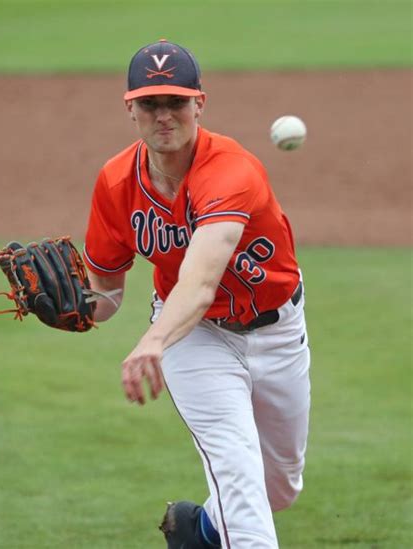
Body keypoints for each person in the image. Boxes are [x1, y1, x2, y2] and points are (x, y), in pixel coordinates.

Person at [83, 39, 311, 549]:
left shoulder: (232, 170)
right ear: (130, 108)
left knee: (277, 487)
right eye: (150, 103)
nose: (163, 115)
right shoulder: (116, 182)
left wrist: (152, 341)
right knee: (237, 476)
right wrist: (74, 309)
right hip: (196, 339)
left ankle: (197, 531)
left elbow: (201, 279)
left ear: (198, 104)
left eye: (175, 102)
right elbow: (106, 295)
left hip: (277, 332)